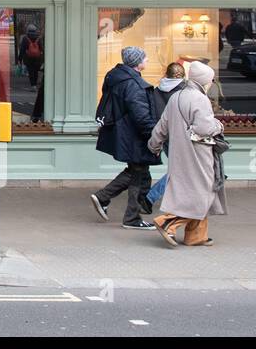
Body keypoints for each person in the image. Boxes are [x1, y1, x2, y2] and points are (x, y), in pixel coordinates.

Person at [148, 60, 227, 247]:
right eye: (210, 80)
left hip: (178, 152)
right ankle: (168, 222)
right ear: (204, 81)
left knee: (190, 190)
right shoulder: (200, 99)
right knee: (204, 191)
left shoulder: (176, 96)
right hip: (198, 153)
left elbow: (162, 126)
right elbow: (205, 127)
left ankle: (196, 235)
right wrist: (219, 125)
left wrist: (154, 145)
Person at [90, 46, 161, 230]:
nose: (147, 61)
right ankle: (130, 217)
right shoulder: (133, 84)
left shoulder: (118, 77)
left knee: (139, 172)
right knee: (138, 173)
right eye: (145, 58)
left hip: (124, 133)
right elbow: (141, 116)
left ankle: (108, 199)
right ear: (137, 63)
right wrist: (154, 137)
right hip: (134, 136)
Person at [145, 61, 187, 211]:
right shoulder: (184, 91)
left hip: (164, 134)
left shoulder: (156, 91)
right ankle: (150, 196)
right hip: (181, 136)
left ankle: (153, 197)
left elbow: (155, 114)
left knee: (180, 169)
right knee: (181, 170)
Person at [18, 24, 43, 89]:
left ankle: (33, 85)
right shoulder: (38, 38)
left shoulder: (25, 38)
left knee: (31, 71)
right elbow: (41, 48)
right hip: (37, 58)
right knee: (36, 71)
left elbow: (22, 49)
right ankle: (35, 83)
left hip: (28, 58)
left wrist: (20, 59)